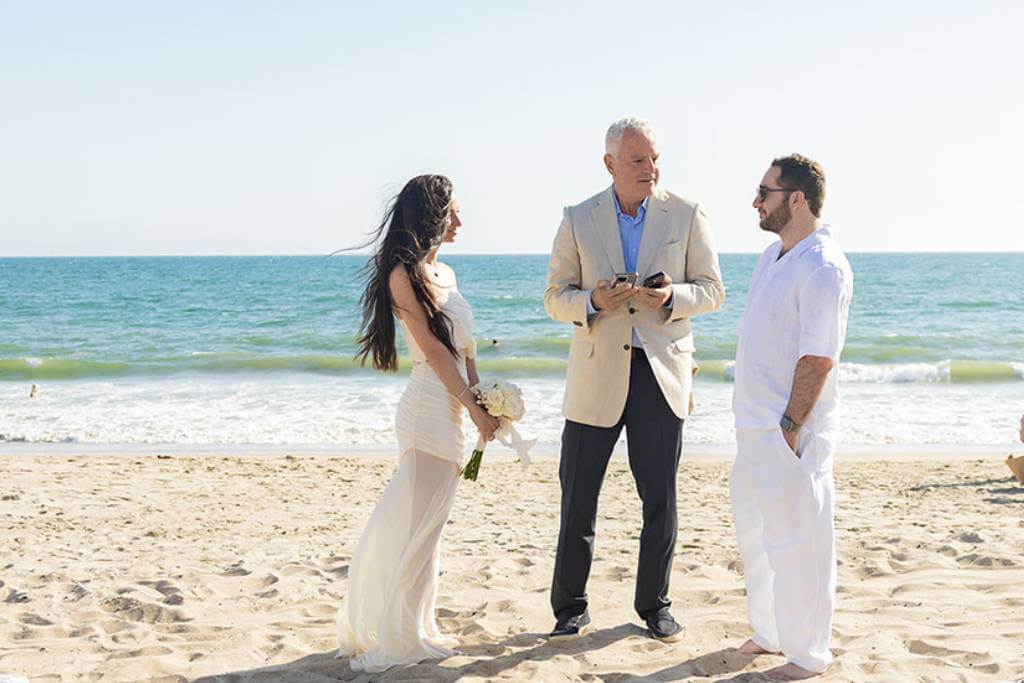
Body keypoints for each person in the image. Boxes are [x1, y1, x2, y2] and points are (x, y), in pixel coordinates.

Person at [544, 117, 724, 642]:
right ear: (610, 164)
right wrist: (593, 300)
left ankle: (655, 606)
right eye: (638, 160)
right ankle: (570, 609)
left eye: (654, 159)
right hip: (596, 373)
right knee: (578, 498)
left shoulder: (687, 213)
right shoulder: (577, 217)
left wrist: (670, 296)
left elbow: (713, 290)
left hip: (661, 373)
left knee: (660, 501)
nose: (650, 169)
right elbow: (555, 296)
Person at [335, 174, 500, 673]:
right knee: (420, 530)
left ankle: (417, 625)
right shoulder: (402, 277)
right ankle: (401, 635)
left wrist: (483, 400)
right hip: (428, 410)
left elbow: (465, 349)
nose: (460, 220)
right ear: (433, 216)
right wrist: (472, 407)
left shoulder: (446, 272)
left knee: (431, 530)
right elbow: (433, 351)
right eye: (453, 211)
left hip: (453, 409)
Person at [730, 154, 853, 679]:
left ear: (797, 199)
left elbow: (818, 358)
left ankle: (808, 653)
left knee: (801, 542)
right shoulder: (772, 255)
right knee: (758, 537)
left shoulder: (823, 267)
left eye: (765, 192)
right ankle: (771, 633)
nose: (755, 202)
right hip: (753, 425)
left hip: (789, 431)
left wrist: (790, 427)